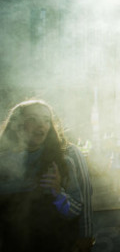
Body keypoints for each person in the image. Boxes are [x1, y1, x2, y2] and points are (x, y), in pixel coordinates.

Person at [0, 100, 93, 252]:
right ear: (17, 125)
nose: (41, 125)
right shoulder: (3, 161)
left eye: (46, 120)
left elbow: (76, 210)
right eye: (33, 119)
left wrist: (58, 193)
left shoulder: (62, 160)